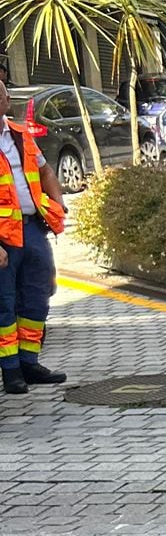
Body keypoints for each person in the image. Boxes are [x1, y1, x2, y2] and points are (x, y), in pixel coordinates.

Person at [0, 76, 67, 395]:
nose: (0, 99)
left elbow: (45, 171)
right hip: (3, 239)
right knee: (4, 304)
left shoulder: (20, 134)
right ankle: (11, 372)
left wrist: (57, 203)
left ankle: (30, 362)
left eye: (0, 95)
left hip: (31, 228)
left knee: (37, 296)